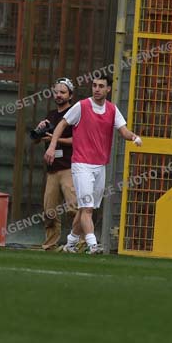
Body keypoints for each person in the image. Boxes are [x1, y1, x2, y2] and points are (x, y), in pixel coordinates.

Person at [45, 74, 141, 254]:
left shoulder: (112, 109)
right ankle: (93, 245)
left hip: (100, 166)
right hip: (81, 164)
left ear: (108, 89)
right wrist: (52, 146)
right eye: (94, 85)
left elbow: (123, 131)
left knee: (85, 208)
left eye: (101, 86)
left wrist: (134, 137)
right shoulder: (81, 106)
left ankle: (70, 243)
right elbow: (62, 124)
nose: (97, 89)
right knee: (88, 208)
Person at [32, 78, 78, 250]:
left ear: (70, 95)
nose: (58, 95)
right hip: (52, 169)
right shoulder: (50, 115)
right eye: (56, 92)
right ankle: (50, 245)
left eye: (63, 92)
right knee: (49, 211)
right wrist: (39, 130)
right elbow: (36, 141)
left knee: (74, 208)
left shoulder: (74, 113)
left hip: (69, 167)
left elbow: (78, 140)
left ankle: (80, 243)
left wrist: (55, 139)